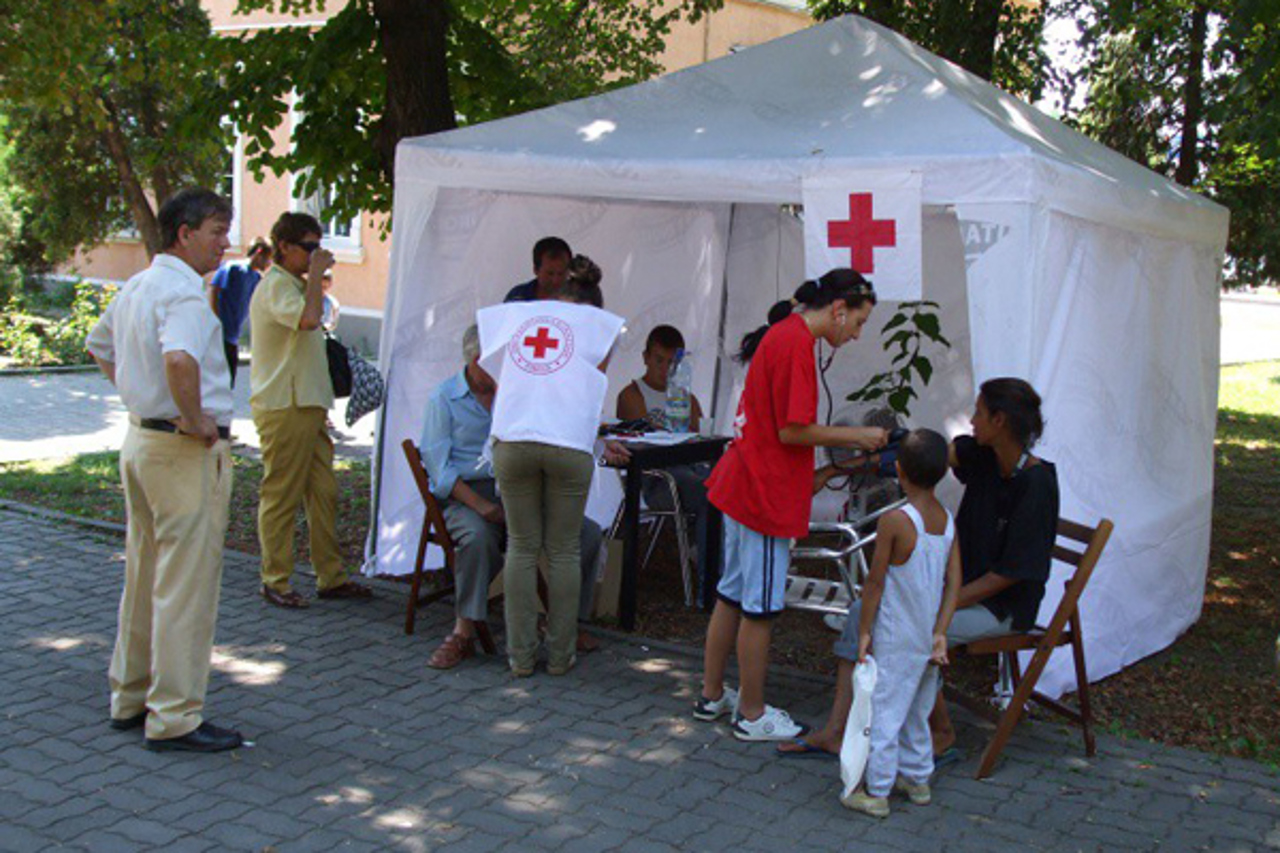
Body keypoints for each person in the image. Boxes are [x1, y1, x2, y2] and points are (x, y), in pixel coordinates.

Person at [778, 378, 1059, 764]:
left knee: (906, 625)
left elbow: (1009, 574)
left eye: (978, 412)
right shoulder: (982, 455)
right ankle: (836, 731)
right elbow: (915, 457)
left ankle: (940, 731)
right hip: (954, 593)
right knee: (863, 611)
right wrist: (838, 469)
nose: (972, 421)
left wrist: (942, 603)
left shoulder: (1036, 485)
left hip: (1000, 609)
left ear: (1000, 420)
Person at [694, 269, 888, 742]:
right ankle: (752, 713)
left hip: (743, 483)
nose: (857, 334)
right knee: (759, 608)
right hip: (762, 493)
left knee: (731, 595)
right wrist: (856, 435)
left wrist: (820, 472)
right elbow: (791, 431)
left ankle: (712, 694)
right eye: (858, 323)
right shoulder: (797, 343)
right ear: (838, 310)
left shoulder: (783, 335)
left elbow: (774, 430)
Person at [86, 187, 243, 752]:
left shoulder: (138, 285)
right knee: (185, 585)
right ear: (185, 233)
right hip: (180, 453)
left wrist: (141, 397)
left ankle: (130, 696)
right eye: (216, 230)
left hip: (141, 442)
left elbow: (99, 344)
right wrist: (194, 417)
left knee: (144, 574)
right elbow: (179, 358)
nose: (225, 242)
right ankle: (174, 715)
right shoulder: (181, 293)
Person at [420, 324, 607, 669]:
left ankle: (564, 622)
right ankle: (463, 631)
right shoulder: (443, 398)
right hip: (467, 496)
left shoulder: (513, 393)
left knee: (588, 534)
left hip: (517, 490)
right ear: (476, 360)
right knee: (477, 538)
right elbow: (439, 470)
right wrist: (483, 506)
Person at [479, 255, 628, 676]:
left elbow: (480, 360)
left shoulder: (522, 315)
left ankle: (520, 658)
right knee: (563, 550)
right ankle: (561, 657)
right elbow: (586, 383)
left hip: (514, 437)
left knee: (522, 547)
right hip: (566, 442)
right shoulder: (601, 325)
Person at [250, 212, 372, 608]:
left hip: (307, 405)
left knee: (324, 493)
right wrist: (317, 277)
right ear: (283, 246)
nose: (315, 254)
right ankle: (275, 580)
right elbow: (307, 319)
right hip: (285, 406)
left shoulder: (296, 285)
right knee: (282, 493)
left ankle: (331, 576)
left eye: (320, 247)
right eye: (308, 247)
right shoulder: (277, 286)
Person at [836, 429, 961, 818]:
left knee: (885, 712)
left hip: (894, 635)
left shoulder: (895, 521)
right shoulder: (947, 521)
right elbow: (954, 581)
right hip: (927, 637)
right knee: (917, 710)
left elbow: (874, 583)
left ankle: (877, 789)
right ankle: (918, 778)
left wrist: (864, 632)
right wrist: (940, 631)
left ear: (899, 470)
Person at [615, 324, 712, 573]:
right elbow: (645, 447)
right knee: (711, 493)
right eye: (659, 360)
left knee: (728, 485)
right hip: (655, 481)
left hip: (688, 470)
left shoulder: (686, 398)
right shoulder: (632, 395)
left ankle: (718, 561)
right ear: (646, 358)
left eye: (672, 362)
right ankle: (709, 573)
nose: (665, 369)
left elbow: (700, 439)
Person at [208, 237, 270, 386]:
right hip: (220, 334)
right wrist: (216, 321)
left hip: (233, 336)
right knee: (217, 381)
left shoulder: (256, 278)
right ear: (259, 252)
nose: (269, 264)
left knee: (229, 381)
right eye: (268, 259)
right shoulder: (232, 268)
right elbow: (214, 290)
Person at [503, 237, 572, 303]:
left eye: (561, 273)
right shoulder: (518, 297)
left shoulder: (579, 299)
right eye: (550, 274)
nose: (555, 280)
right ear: (536, 270)